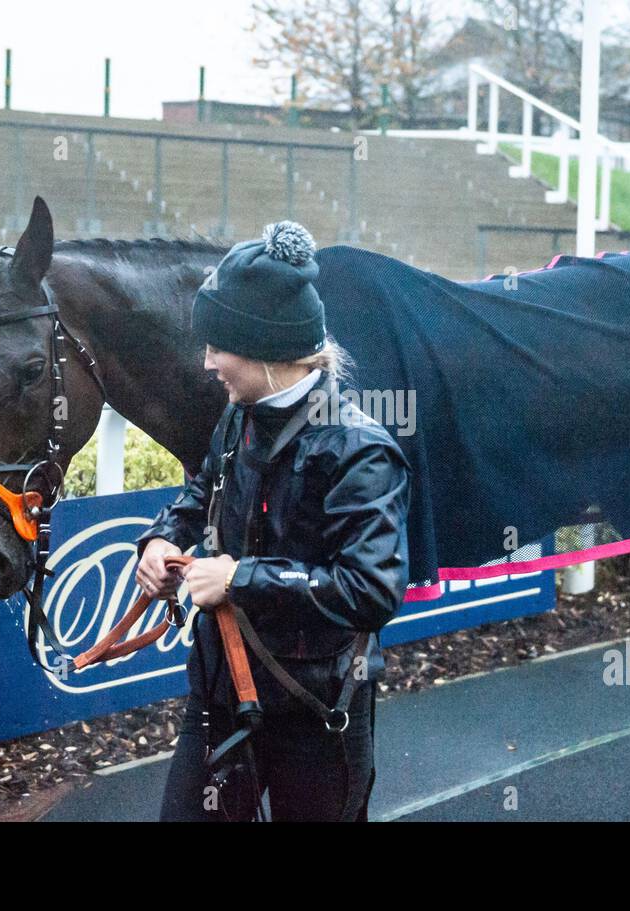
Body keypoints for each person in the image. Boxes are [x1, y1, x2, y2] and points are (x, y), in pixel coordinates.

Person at [135, 220, 413, 821]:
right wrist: (162, 540)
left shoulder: (360, 449)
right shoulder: (239, 413)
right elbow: (201, 490)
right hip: (219, 693)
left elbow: (372, 590)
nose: (206, 362)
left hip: (316, 710)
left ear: (267, 351)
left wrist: (240, 579)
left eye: (217, 346)